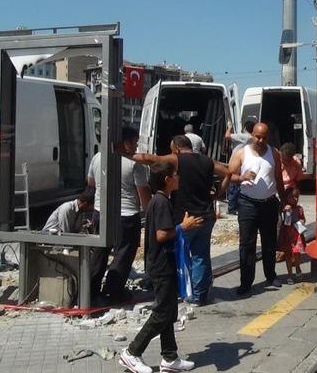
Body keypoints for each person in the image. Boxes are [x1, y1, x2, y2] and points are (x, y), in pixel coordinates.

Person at [122, 135, 228, 306]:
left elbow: (151, 159)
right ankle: (198, 295)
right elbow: (228, 172)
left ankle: (182, 290)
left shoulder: (177, 159)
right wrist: (219, 194)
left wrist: (125, 154)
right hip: (206, 215)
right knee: (201, 255)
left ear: (177, 149)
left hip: (185, 217)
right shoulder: (208, 161)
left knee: (181, 254)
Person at [119, 162, 201, 373]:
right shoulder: (161, 202)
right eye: (176, 175)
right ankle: (132, 352)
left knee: (170, 311)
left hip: (165, 263)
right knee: (162, 313)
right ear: (167, 179)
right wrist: (183, 227)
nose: (179, 178)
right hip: (161, 265)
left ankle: (170, 357)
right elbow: (161, 235)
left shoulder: (160, 200)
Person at [89, 126, 152, 302]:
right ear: (126, 143)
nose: (136, 147)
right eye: (134, 143)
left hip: (100, 212)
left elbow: (90, 182)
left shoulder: (97, 157)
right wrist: (150, 212)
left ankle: (91, 289)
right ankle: (113, 291)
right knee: (124, 253)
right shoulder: (134, 164)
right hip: (127, 216)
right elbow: (143, 193)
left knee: (100, 252)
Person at [227, 122, 287, 295]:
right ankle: (246, 282)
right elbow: (229, 175)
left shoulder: (274, 153)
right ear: (252, 135)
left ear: (268, 137)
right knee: (247, 244)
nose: (260, 140)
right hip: (247, 204)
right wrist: (242, 177)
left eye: (264, 137)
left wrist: (283, 200)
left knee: (270, 242)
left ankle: (271, 275)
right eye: (257, 136)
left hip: (269, 204)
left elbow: (278, 178)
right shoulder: (241, 153)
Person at [224, 120, 255, 215]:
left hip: (236, 163)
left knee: (233, 184)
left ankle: (232, 207)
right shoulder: (252, 138)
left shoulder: (244, 136)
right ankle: (237, 206)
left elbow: (227, 136)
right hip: (244, 163)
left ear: (245, 128)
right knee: (240, 185)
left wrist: (229, 127)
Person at [278, 187, 306, 284]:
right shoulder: (284, 208)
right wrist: (284, 210)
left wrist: (301, 222)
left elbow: (303, 219)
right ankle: (289, 274)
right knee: (288, 255)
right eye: (292, 197)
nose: (295, 199)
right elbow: (280, 219)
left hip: (296, 234)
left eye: (297, 197)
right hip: (287, 236)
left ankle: (298, 268)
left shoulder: (299, 209)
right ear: (287, 198)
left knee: (297, 254)